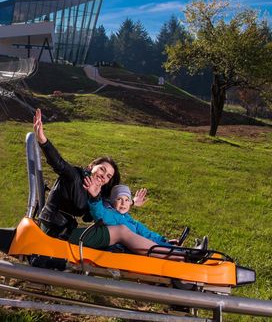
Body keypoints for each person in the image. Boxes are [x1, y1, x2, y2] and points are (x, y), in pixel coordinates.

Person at [33, 108, 120, 248]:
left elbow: (88, 217)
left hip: (67, 227)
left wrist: (95, 198)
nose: (104, 176)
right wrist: (43, 140)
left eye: (108, 176)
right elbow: (58, 163)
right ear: (92, 166)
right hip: (53, 225)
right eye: (102, 169)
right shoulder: (75, 176)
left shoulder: (96, 193)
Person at [86, 183, 208, 261]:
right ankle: (188, 255)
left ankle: (186, 251)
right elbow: (100, 214)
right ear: (113, 202)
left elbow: (146, 233)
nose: (123, 203)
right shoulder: (111, 215)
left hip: (136, 246)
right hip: (123, 249)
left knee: (154, 242)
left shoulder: (130, 220)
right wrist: (95, 199)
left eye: (126, 200)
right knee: (153, 247)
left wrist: (164, 240)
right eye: (119, 199)